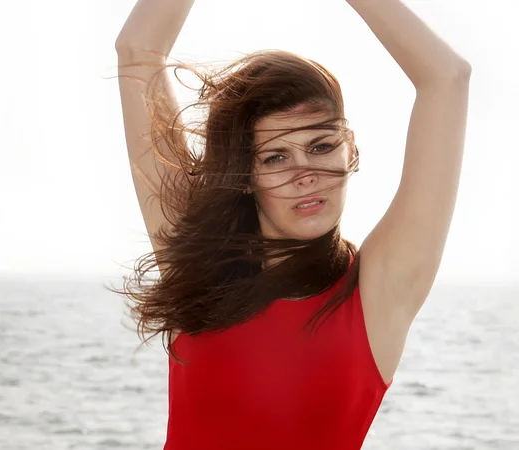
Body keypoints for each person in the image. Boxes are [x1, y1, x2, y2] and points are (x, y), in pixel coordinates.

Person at [112, 0, 471, 448]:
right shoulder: (196, 264)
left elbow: (447, 78)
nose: (306, 174)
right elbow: (137, 50)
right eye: (276, 157)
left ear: (350, 149)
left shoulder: (377, 294)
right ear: (246, 175)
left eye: (321, 146)